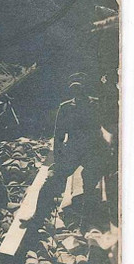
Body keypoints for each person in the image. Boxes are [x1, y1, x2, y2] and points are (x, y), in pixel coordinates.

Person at [29, 73, 109, 226]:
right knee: (52, 181)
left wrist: (102, 156)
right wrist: (58, 159)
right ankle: (37, 217)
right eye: (74, 89)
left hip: (92, 150)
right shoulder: (65, 108)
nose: (77, 92)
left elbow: (106, 131)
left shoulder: (97, 105)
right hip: (73, 149)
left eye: (80, 88)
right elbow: (58, 135)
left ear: (85, 88)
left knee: (90, 184)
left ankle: (87, 222)